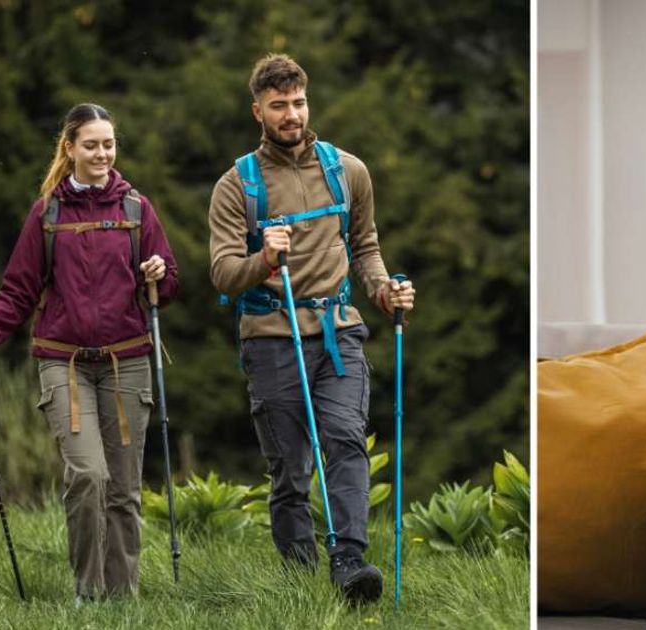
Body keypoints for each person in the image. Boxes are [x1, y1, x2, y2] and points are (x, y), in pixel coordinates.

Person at [0, 103, 179, 602]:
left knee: (123, 488)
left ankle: (123, 599)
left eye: (109, 144)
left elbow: (170, 280)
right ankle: (87, 593)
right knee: (88, 475)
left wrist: (159, 271)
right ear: (69, 149)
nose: (102, 153)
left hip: (127, 360)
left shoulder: (136, 209)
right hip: (63, 362)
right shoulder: (47, 213)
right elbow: (18, 292)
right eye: (91, 145)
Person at [208, 53, 415, 603]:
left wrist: (383, 291)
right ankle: (300, 582)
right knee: (291, 470)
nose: (291, 114)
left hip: (338, 332)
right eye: (279, 106)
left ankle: (349, 565)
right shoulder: (238, 186)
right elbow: (224, 274)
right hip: (271, 337)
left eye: (298, 102)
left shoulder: (347, 170)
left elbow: (365, 248)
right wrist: (265, 262)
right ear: (259, 111)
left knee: (346, 440)